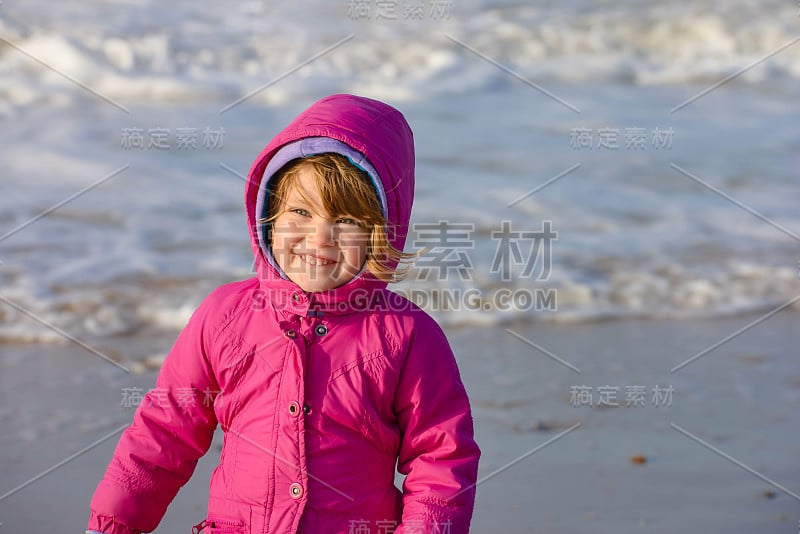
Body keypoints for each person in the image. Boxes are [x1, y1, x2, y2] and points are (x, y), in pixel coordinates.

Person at [87, 94, 480, 534]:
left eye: (347, 220)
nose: (320, 237)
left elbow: (441, 458)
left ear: (382, 231)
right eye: (300, 211)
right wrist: (114, 522)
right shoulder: (224, 316)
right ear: (268, 216)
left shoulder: (406, 337)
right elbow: (164, 431)